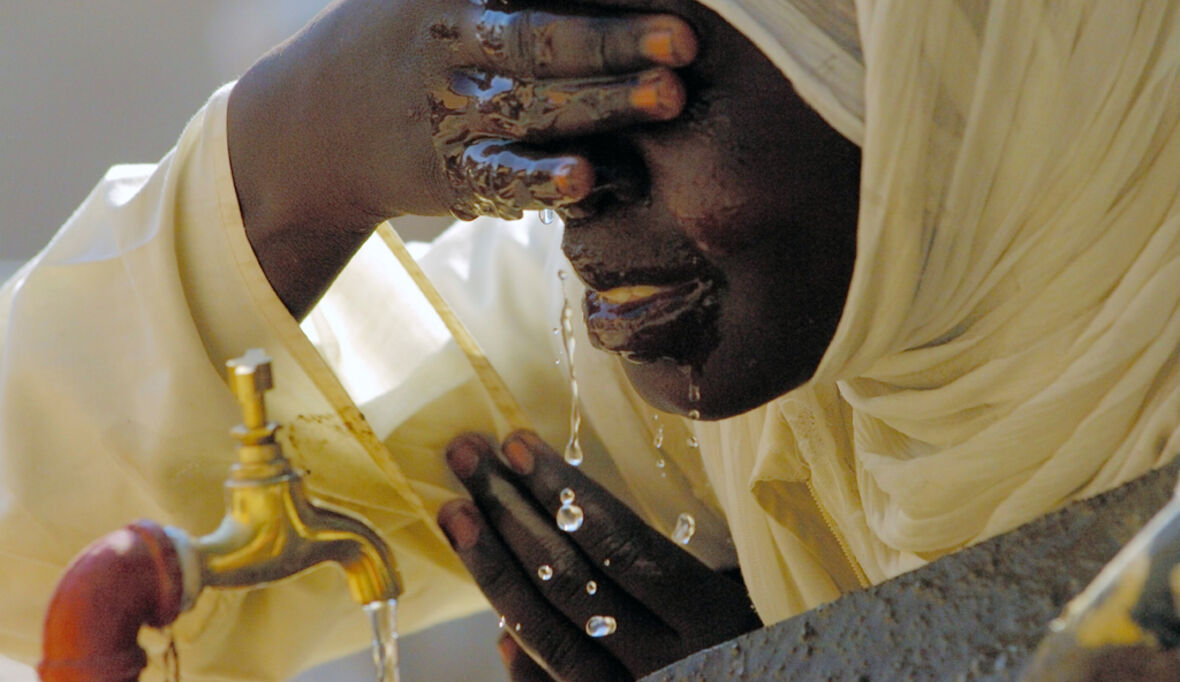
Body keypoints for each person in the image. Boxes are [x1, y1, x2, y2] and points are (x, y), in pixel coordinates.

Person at [3, 0, 1180, 680]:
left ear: (950, 65)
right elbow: (26, 551)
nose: (563, 181)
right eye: (528, 74)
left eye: (635, 77)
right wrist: (286, 163)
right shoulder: (755, 388)